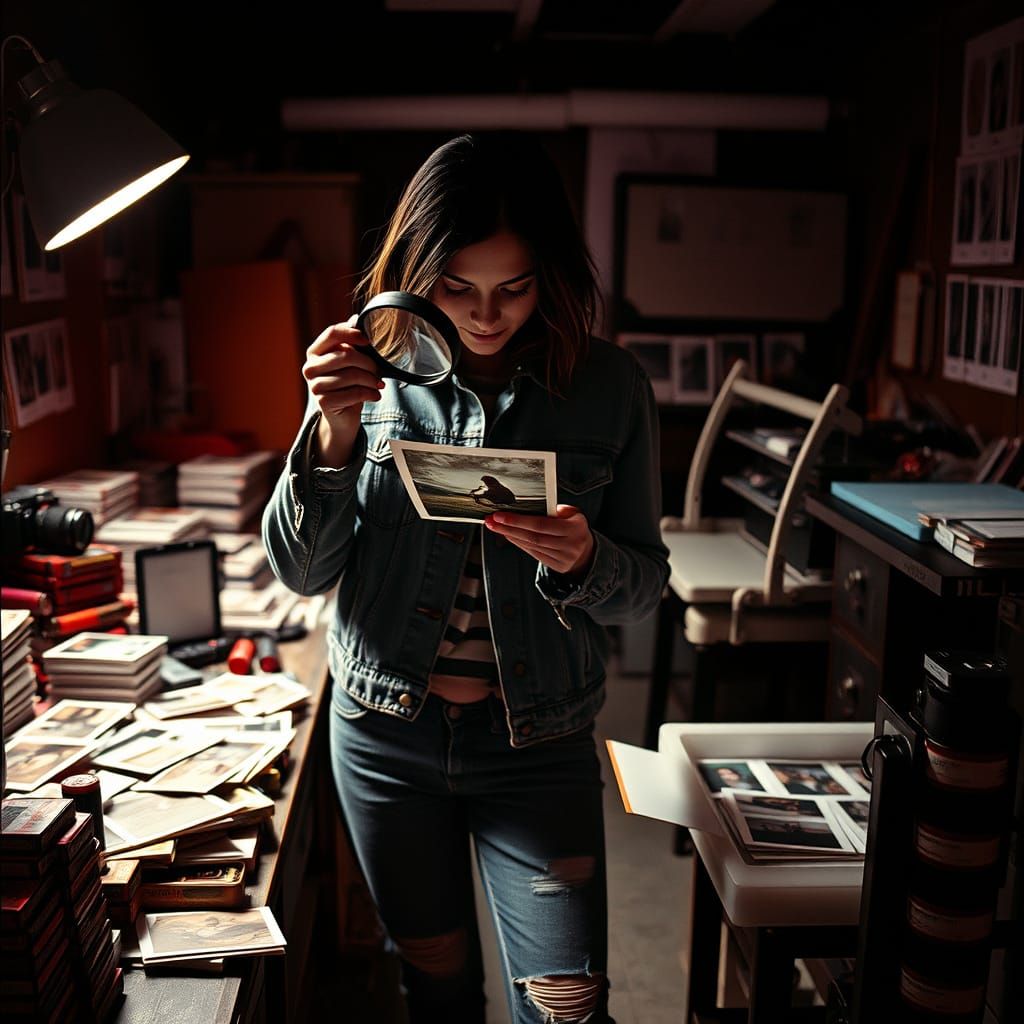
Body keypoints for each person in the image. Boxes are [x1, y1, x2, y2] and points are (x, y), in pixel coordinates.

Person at [263, 132, 669, 1024]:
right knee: (436, 984)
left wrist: (587, 561)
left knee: (567, 1006)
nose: (486, 315)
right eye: (457, 289)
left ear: (550, 274)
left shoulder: (608, 386)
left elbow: (646, 586)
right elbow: (300, 570)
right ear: (417, 271)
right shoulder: (367, 370)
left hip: (539, 743)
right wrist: (330, 433)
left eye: (513, 288)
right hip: (384, 738)